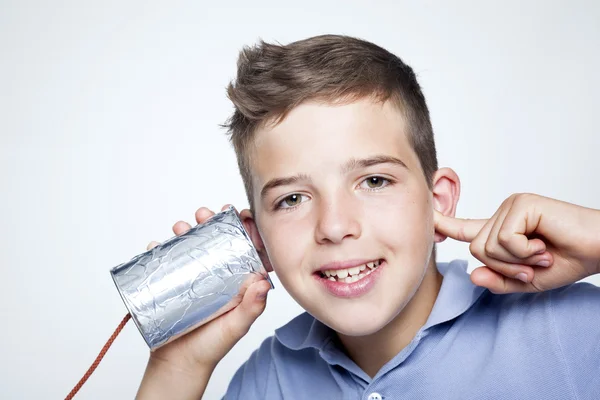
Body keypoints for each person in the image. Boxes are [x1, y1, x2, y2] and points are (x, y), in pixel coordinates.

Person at [136, 35, 600, 399]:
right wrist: (179, 368)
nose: (335, 227)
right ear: (257, 240)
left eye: (374, 181)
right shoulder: (266, 381)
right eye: (292, 199)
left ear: (438, 201)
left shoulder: (570, 332)